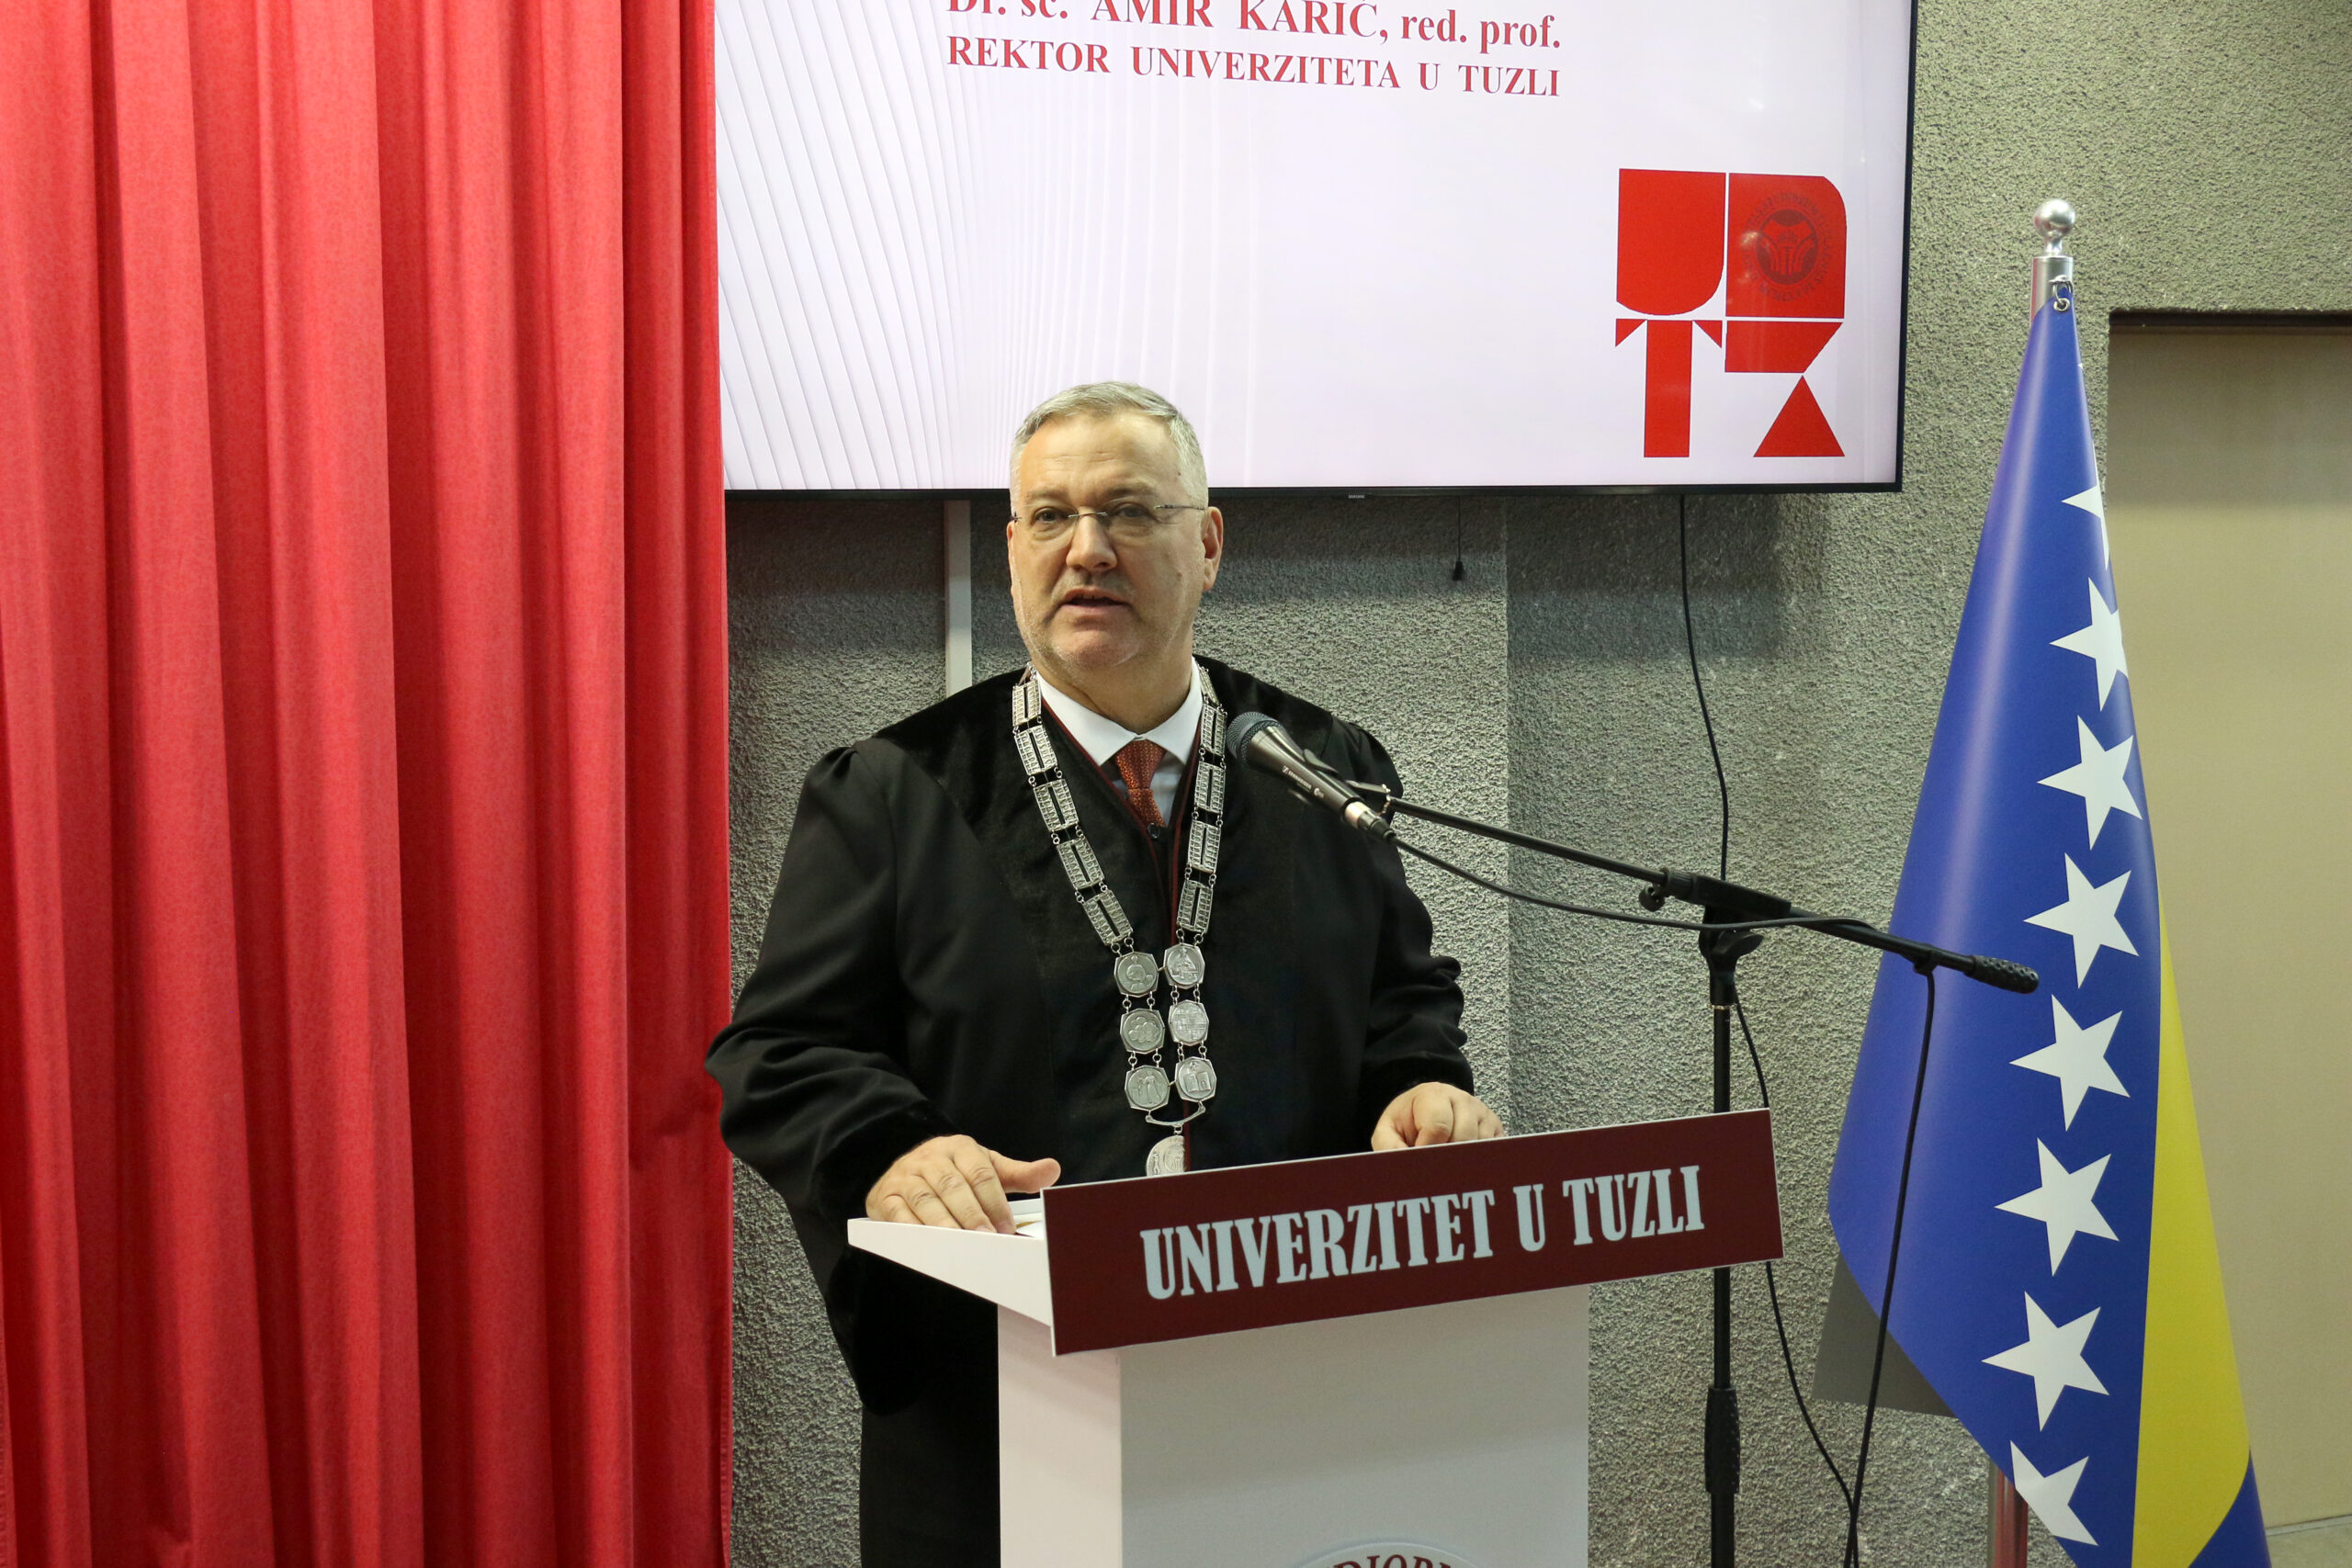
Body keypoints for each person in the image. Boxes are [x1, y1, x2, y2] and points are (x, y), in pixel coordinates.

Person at [707, 381, 1504, 1565]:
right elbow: (779, 1052)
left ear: (1209, 543)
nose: (1087, 550)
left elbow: (1402, 999)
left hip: (1286, 1384)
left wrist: (1418, 1087)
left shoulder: (1320, 768)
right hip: (1004, 1408)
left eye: (1129, 511)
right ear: (1012, 550)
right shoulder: (894, 789)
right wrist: (891, 1149)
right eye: (1050, 517)